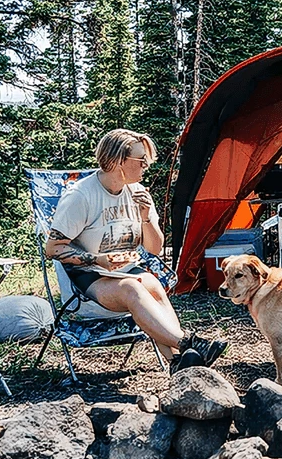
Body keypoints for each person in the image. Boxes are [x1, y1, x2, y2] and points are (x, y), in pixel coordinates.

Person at [45, 128, 227, 373]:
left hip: (126, 270)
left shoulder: (138, 194)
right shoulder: (81, 196)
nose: (146, 166)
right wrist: (97, 258)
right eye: (141, 160)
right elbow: (53, 248)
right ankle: (188, 343)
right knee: (133, 288)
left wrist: (145, 218)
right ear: (118, 161)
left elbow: (155, 247)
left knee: (151, 284)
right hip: (87, 278)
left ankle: (178, 363)